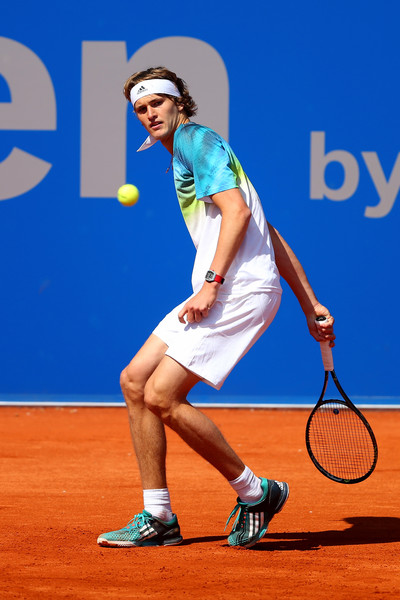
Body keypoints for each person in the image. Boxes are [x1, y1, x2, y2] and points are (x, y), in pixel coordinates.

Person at [97, 67, 335, 550]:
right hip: (227, 286)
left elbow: (239, 213)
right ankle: (158, 516)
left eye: (156, 103)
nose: (149, 114)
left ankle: (255, 493)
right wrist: (310, 303)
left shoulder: (194, 141)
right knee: (136, 380)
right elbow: (266, 232)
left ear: (178, 102)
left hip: (236, 291)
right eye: (140, 109)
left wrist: (212, 282)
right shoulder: (191, 150)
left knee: (163, 395)